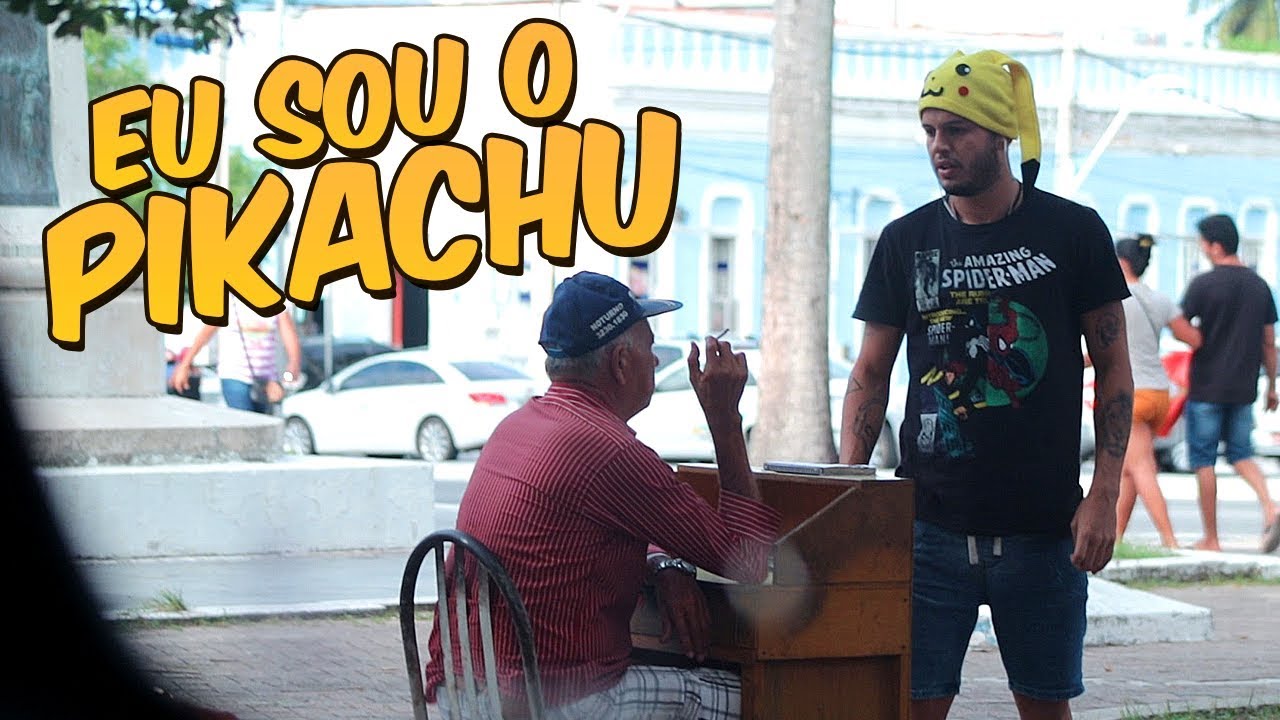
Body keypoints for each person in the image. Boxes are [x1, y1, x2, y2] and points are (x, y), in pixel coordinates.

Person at [840, 49, 1133, 720]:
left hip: (1043, 531)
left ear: (1000, 134)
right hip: (927, 529)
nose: (939, 147)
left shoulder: (1072, 232)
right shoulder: (906, 240)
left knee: (1045, 708)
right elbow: (870, 373)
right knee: (910, 707)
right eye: (929, 131)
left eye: (957, 130)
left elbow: (1115, 369)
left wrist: (1105, 493)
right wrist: (850, 489)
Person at [424, 271, 780, 718]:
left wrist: (662, 562)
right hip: (543, 703)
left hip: (465, 695)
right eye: (650, 347)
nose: (656, 360)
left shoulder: (518, 426)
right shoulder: (608, 451)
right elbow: (746, 561)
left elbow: (585, 523)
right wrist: (725, 418)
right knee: (762, 695)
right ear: (621, 363)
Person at [1179, 214, 1280, 554]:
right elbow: (1269, 342)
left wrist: (1195, 338)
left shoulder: (1203, 285)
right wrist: (1271, 387)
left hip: (1207, 385)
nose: (1202, 249)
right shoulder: (1260, 286)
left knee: (1204, 460)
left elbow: (1181, 326)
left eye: (1203, 244)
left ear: (1216, 246)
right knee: (1241, 454)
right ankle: (1270, 506)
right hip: (1244, 387)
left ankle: (1211, 538)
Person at [1113, 234, 1201, 548]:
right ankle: (1116, 539)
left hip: (1132, 394)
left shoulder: (1115, 300)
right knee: (1129, 469)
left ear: (1121, 262)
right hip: (1160, 393)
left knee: (1140, 467)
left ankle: (1169, 540)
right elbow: (1193, 339)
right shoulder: (1160, 299)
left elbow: (1104, 348)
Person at [169, 298, 302, 415]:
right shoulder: (228, 301)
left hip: (267, 378)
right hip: (234, 375)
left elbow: (289, 335)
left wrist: (293, 364)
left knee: (265, 425)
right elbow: (205, 334)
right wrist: (185, 364)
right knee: (246, 423)